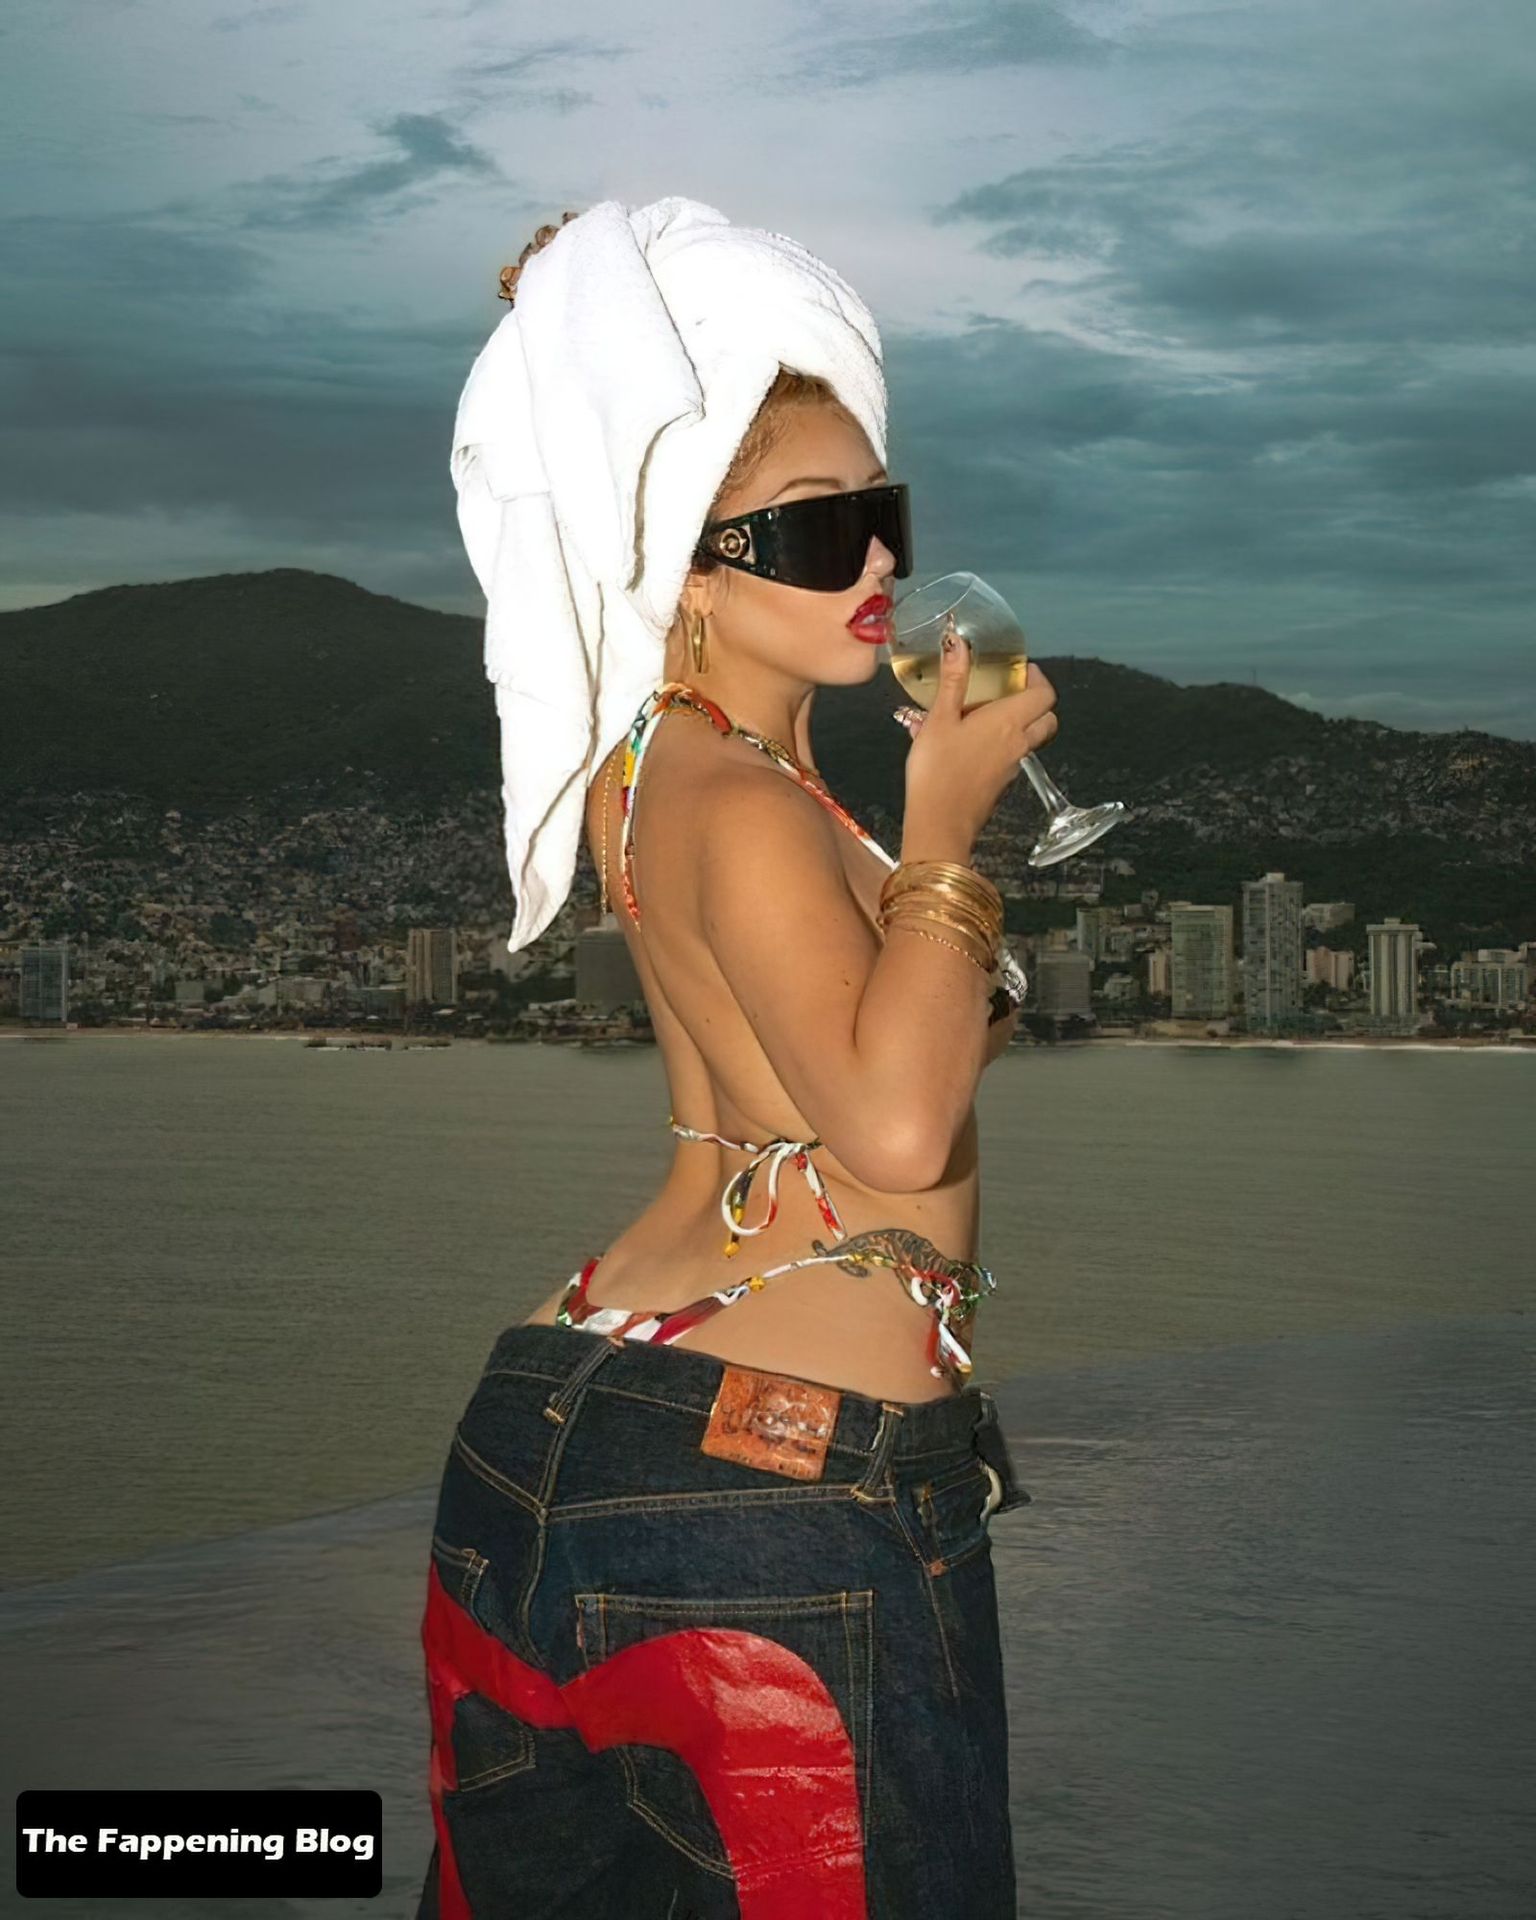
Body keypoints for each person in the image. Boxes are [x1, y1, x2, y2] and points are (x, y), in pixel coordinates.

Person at [418, 198, 1058, 1920]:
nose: (876, 569)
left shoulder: (656, 773)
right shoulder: (754, 805)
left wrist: (931, 887)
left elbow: (840, 1059)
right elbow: (898, 1130)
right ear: (687, 562)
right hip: (773, 1493)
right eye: (820, 530)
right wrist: (947, 824)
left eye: (884, 519)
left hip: (561, 1430)